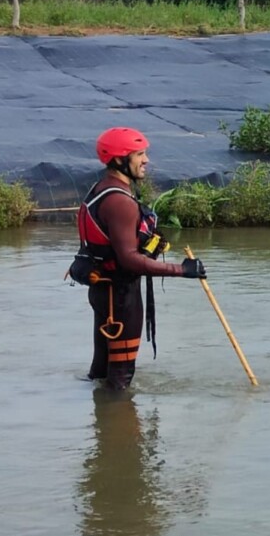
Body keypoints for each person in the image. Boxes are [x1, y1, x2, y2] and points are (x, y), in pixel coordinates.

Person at [70, 127, 207, 390]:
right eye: (139, 154)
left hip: (104, 292)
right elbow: (130, 260)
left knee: (101, 373)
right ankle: (120, 428)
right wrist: (182, 270)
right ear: (120, 160)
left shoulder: (102, 189)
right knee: (120, 381)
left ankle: (101, 426)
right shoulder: (120, 202)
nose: (146, 161)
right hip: (120, 297)